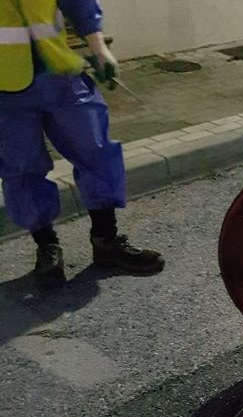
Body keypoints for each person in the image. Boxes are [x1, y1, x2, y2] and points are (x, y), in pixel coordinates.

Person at [0, 0, 164, 287]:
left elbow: (79, 3)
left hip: (61, 75)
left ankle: (106, 241)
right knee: (21, 169)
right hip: (5, 88)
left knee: (96, 152)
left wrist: (100, 50)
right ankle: (47, 247)